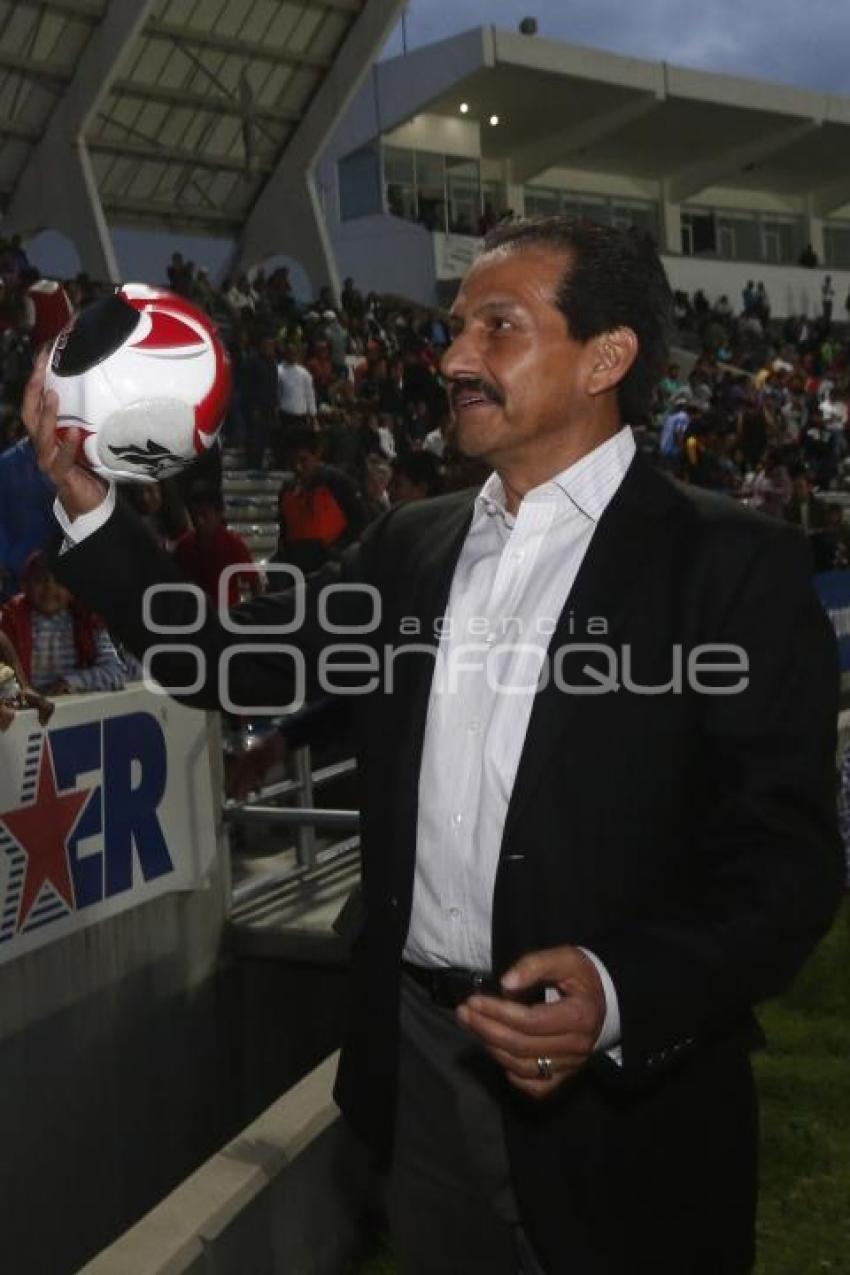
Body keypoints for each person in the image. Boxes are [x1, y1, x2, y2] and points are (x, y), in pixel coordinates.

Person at [24, 217, 843, 1275]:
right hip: (414, 1062)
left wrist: (620, 989)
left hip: (625, 1106)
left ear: (607, 357)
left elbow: (784, 863)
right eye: (456, 330)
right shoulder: (414, 544)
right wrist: (89, 511)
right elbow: (236, 661)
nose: (453, 358)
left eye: (498, 329)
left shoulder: (736, 565)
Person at [0, 550, 125, 695]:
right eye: (40, 580)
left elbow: (116, 672)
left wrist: (70, 682)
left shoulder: (88, 620)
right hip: (29, 711)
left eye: (59, 580)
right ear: (24, 585)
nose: (50, 588)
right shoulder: (9, 620)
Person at [173, 485, 259, 610]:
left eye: (204, 515)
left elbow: (254, 583)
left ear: (218, 514)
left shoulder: (233, 544)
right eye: (194, 516)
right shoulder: (184, 546)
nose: (199, 521)